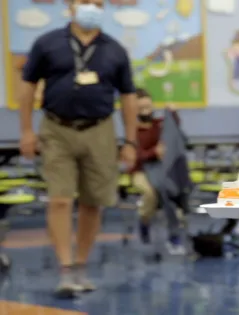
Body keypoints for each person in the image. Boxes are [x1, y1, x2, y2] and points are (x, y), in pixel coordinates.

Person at [18, 0, 137, 298]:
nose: (91, 8)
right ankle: (65, 269)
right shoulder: (47, 43)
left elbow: (128, 96)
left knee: (92, 202)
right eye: (85, 2)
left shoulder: (114, 49)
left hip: (100, 130)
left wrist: (131, 141)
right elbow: (28, 87)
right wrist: (26, 131)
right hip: (57, 129)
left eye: (98, 3)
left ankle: (82, 265)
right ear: (71, 7)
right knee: (59, 199)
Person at [132, 88, 186, 255]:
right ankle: (145, 220)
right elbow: (136, 155)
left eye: (148, 107)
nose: (146, 111)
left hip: (162, 170)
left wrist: (173, 114)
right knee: (150, 193)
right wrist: (153, 152)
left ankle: (174, 233)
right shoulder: (132, 131)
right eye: (141, 108)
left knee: (172, 192)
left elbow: (173, 128)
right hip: (141, 170)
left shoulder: (159, 125)